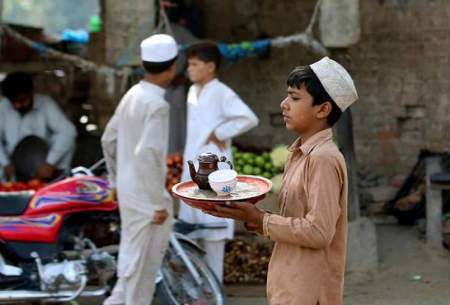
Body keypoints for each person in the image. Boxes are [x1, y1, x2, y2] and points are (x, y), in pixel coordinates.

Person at [205, 57, 359, 305]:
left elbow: (318, 232)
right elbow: (294, 220)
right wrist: (252, 216)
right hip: (289, 283)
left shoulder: (322, 159)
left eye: (295, 98)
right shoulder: (298, 153)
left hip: (310, 291)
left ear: (322, 109)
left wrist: (261, 219)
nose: (284, 104)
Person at [101, 34, 178, 305]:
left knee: (130, 270)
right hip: (147, 197)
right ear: (172, 67)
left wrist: (115, 180)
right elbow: (147, 153)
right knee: (139, 275)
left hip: (129, 190)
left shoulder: (133, 94)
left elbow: (108, 139)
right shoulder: (157, 104)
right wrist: (158, 202)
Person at [178, 41, 259, 282]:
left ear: (210, 66)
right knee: (192, 233)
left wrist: (220, 133)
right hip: (192, 164)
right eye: (189, 64)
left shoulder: (222, 91)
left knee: (213, 233)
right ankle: (196, 288)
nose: (189, 69)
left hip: (214, 166)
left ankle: (214, 290)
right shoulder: (192, 92)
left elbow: (248, 118)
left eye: (194, 64)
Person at [0, 72, 76, 181]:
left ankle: (58, 180)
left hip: (43, 166)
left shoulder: (45, 103)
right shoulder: (3, 107)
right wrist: (5, 163)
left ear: (31, 93)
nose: (17, 105)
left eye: (22, 100)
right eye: (13, 101)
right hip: (11, 168)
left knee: (67, 140)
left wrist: (50, 163)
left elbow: (68, 131)